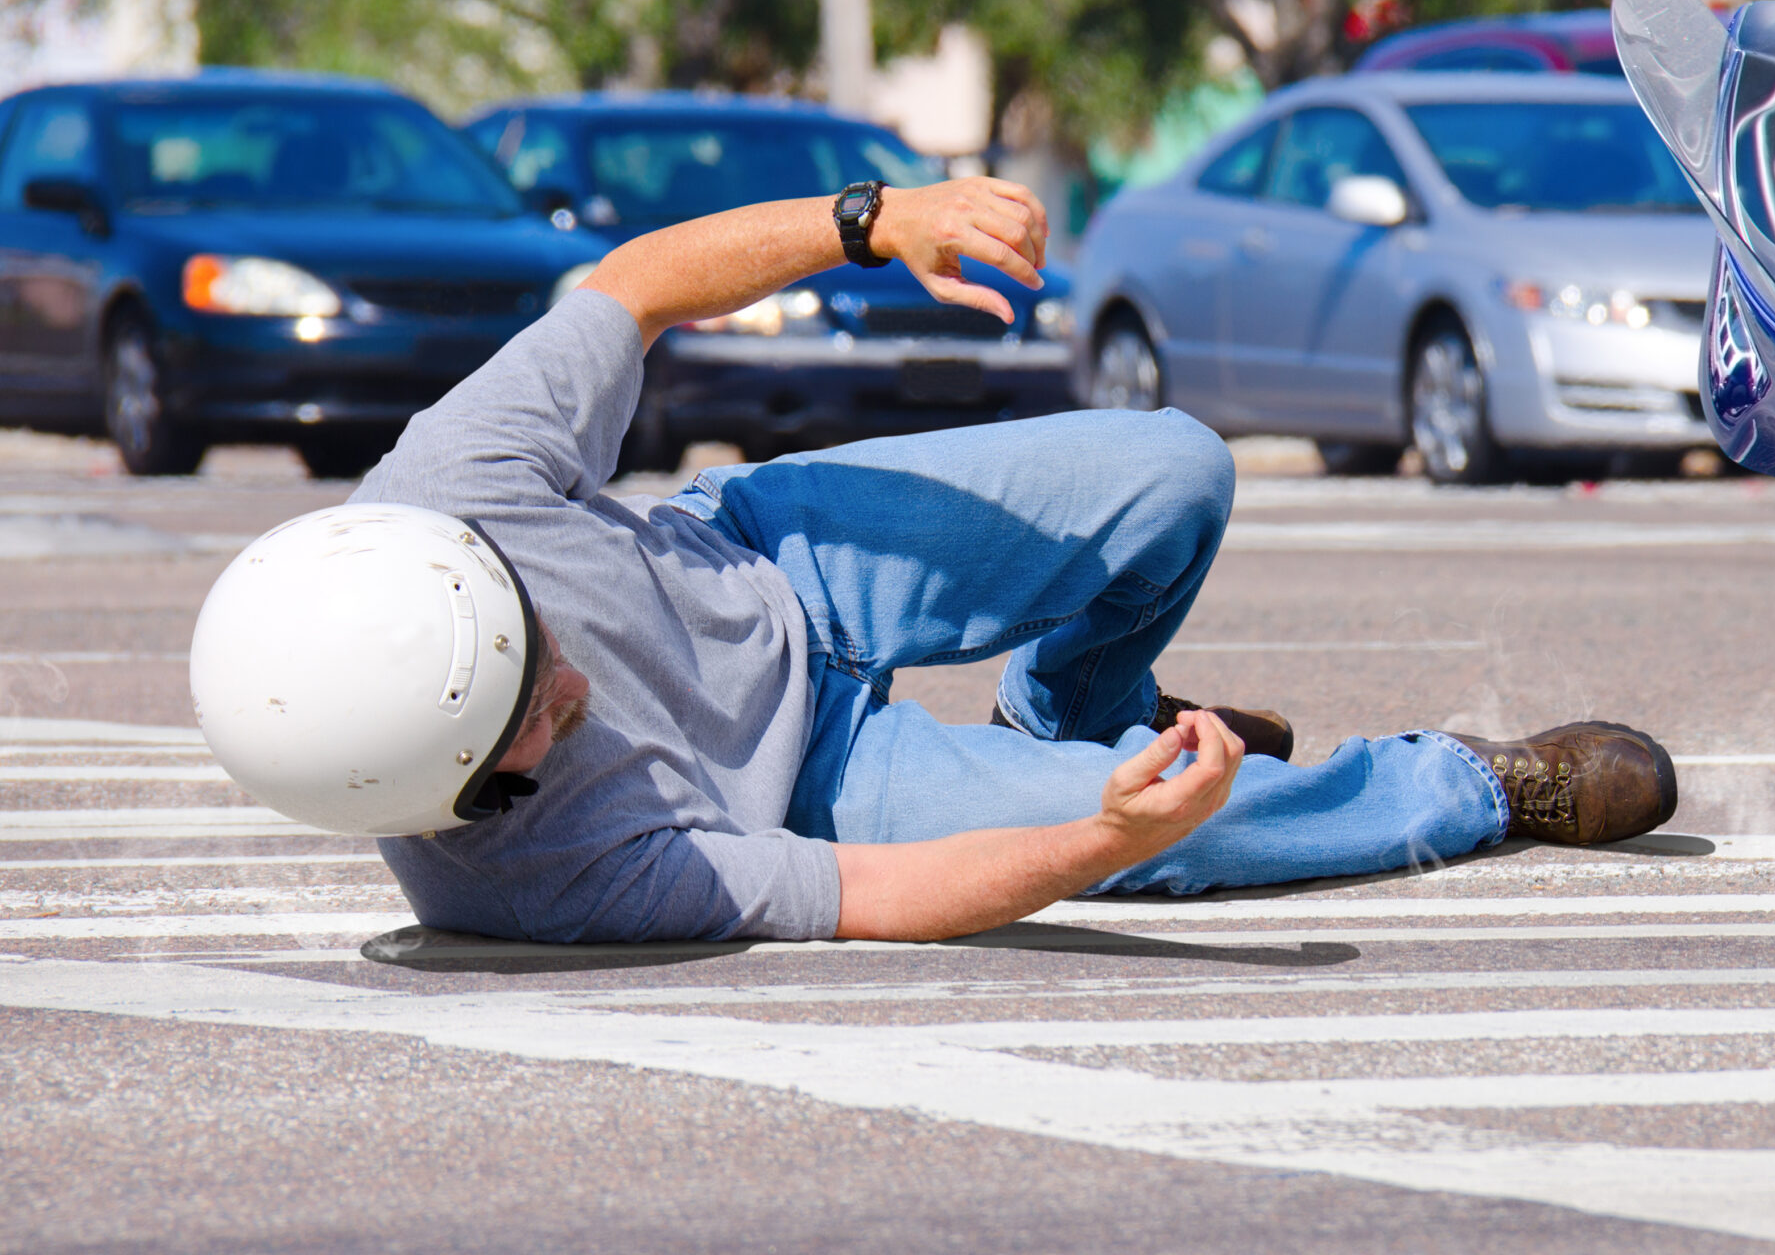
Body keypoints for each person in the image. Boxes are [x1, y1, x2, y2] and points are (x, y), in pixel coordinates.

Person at [188, 176, 1679, 944]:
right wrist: (1099, 846)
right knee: (1189, 837)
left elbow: (630, 288)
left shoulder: (442, 488)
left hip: (772, 561)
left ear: (466, 576)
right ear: (460, 801)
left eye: (531, 644)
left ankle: (1078, 713)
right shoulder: (534, 884)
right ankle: (1481, 786)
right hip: (818, 783)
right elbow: (878, 899)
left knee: (1173, 469)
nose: (567, 689)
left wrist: (878, 218)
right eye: (529, 736)